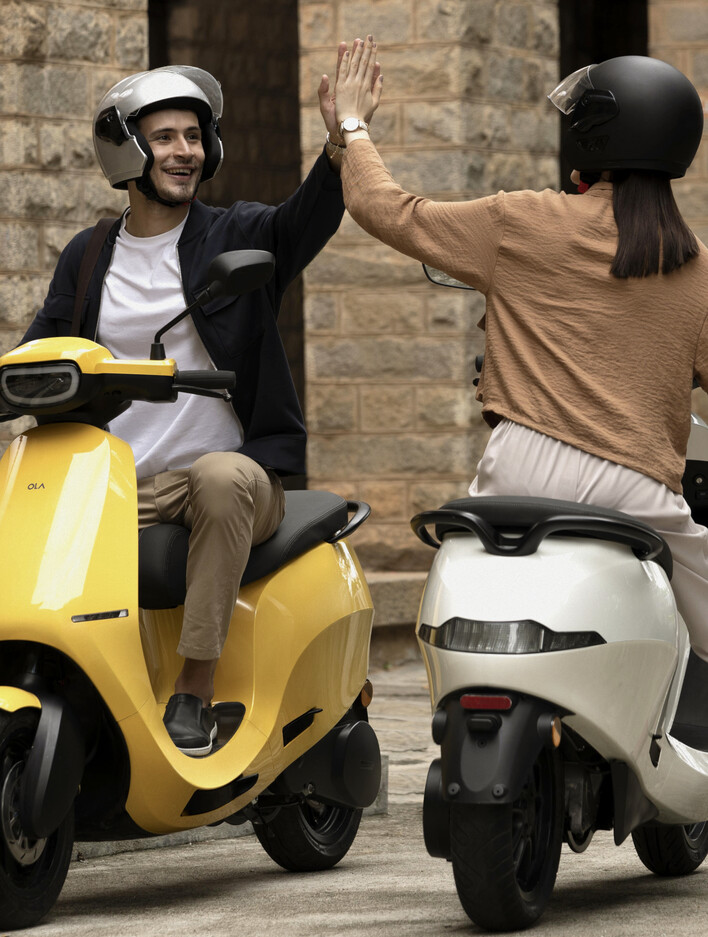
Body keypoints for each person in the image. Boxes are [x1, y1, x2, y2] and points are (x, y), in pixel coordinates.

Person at [17, 59, 365, 756]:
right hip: (118, 487)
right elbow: (38, 355)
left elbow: (304, 222)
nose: (186, 152)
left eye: (195, 137)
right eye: (166, 138)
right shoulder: (88, 256)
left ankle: (194, 692)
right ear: (127, 152)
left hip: (231, 480)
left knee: (218, 475)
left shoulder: (236, 234)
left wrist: (340, 143)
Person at [334, 38, 708, 659]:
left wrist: (353, 126)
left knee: (471, 595)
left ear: (591, 138)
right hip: (636, 489)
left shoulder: (523, 221)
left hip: (520, 470)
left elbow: (388, 208)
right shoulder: (695, 267)